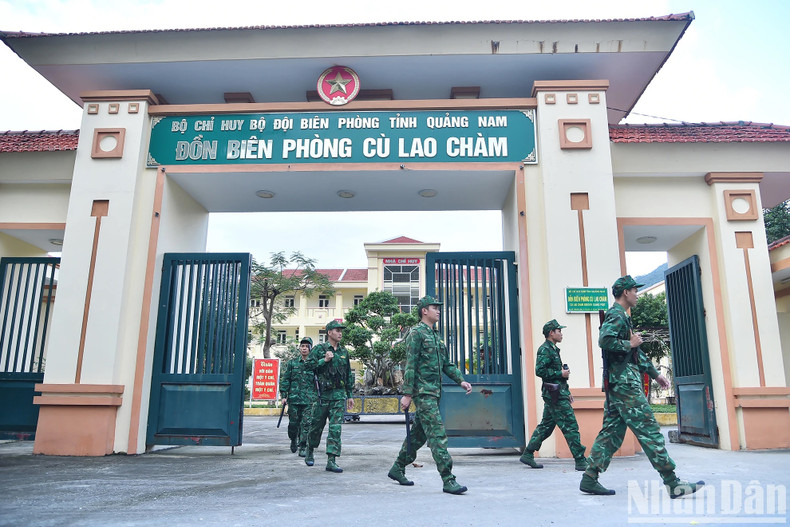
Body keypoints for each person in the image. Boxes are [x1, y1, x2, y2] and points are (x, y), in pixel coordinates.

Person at [580, 275, 704, 498]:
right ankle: (672, 482)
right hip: (625, 385)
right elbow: (604, 340)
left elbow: (635, 353)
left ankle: (590, 477)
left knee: (611, 433)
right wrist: (629, 343)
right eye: (635, 291)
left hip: (619, 384)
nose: (637, 295)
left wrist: (655, 374)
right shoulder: (616, 315)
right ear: (626, 292)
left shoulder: (623, 317)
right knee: (649, 429)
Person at [388, 296, 473, 495]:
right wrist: (407, 394)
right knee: (437, 434)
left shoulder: (435, 336)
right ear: (424, 311)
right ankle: (448, 479)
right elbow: (410, 365)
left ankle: (398, 467)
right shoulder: (416, 333)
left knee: (418, 436)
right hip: (423, 392)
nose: (439, 310)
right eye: (435, 307)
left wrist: (460, 380)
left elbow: (446, 364)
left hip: (434, 393)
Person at [519, 319, 587, 471]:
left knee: (546, 426)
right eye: (559, 331)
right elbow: (540, 371)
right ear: (551, 333)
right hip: (554, 395)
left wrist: (567, 391)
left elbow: (558, 377)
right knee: (570, 426)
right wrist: (560, 373)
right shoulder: (545, 349)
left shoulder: (553, 349)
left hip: (557, 393)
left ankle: (528, 453)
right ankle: (580, 460)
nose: (561, 334)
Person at [305, 320, 354, 472]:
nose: (340, 333)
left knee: (335, 428)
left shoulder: (344, 352)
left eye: (341, 331)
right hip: (322, 396)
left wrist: (350, 395)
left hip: (338, 395)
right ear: (329, 333)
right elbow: (307, 367)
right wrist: (324, 360)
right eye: (337, 330)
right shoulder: (319, 349)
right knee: (316, 426)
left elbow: (348, 374)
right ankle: (310, 449)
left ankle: (331, 460)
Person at [279, 337, 318, 457]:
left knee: (306, 423)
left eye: (306, 346)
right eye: (302, 346)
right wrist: (284, 395)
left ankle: (303, 446)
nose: (304, 348)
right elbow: (286, 380)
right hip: (294, 399)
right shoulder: (292, 363)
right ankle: (293, 439)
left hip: (309, 399)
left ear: (310, 348)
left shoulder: (314, 364)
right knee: (293, 423)